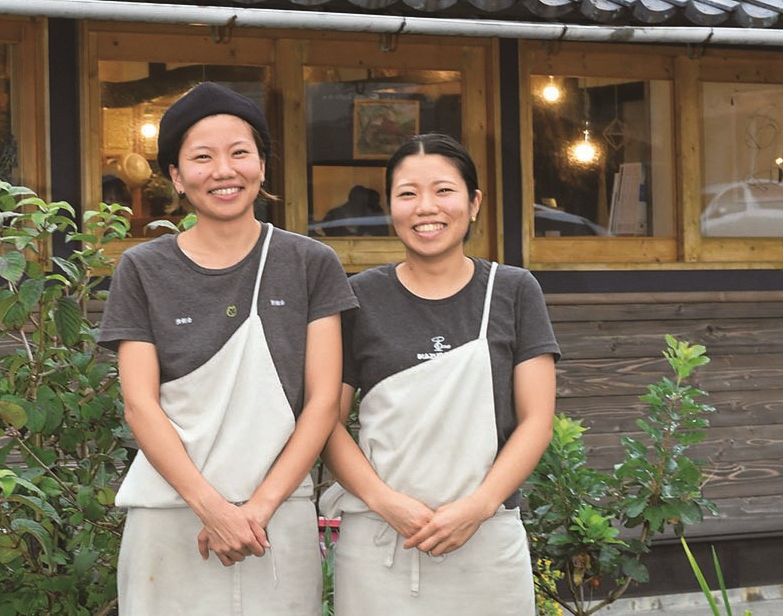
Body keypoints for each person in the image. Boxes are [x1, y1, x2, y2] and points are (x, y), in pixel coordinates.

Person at [99, 82, 357, 615]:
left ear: (262, 165)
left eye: (240, 153)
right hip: (168, 512)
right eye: (202, 157)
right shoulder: (143, 269)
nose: (224, 170)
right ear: (175, 175)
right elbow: (139, 405)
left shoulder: (311, 264)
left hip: (279, 514)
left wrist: (258, 508)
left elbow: (324, 401)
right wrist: (213, 509)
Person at [321, 132, 559, 614]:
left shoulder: (513, 291)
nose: (426, 207)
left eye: (443, 191)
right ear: (390, 207)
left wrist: (480, 504)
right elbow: (326, 419)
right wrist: (386, 502)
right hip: (379, 539)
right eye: (407, 193)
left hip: (488, 537)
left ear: (473, 204)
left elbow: (536, 420)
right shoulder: (358, 298)